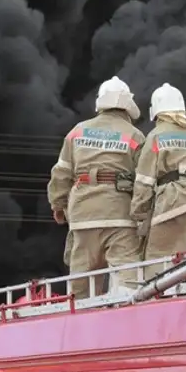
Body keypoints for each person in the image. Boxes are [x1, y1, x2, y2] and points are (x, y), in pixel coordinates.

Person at [47, 76, 146, 298]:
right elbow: (145, 180)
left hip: (83, 217)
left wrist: (58, 205)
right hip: (120, 218)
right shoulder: (135, 136)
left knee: (81, 290)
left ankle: (81, 329)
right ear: (127, 105)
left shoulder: (77, 132)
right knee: (130, 287)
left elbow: (61, 173)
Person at [131, 83, 186, 280]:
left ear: (156, 111)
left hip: (173, 202)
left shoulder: (157, 135)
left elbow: (145, 180)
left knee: (160, 264)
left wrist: (138, 213)